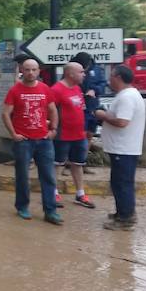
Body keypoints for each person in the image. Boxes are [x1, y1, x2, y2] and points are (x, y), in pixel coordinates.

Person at [1, 58, 62, 225]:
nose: (30, 73)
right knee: (22, 175)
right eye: (27, 69)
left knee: (48, 176)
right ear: (22, 70)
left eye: (34, 69)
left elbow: (52, 109)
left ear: (39, 71)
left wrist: (54, 130)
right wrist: (13, 134)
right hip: (23, 140)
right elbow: (6, 113)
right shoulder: (15, 90)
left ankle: (50, 211)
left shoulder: (45, 89)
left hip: (43, 139)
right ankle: (22, 206)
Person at [94, 64, 145, 231]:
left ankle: (125, 219)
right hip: (123, 148)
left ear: (118, 78)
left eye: (111, 77)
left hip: (124, 148)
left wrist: (103, 115)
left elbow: (122, 122)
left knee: (122, 184)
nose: (109, 80)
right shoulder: (128, 94)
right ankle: (123, 212)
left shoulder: (127, 97)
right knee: (120, 183)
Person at [50, 62, 96, 209]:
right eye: (81, 72)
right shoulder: (56, 89)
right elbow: (49, 110)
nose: (84, 74)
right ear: (71, 74)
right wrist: (52, 128)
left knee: (78, 164)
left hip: (79, 135)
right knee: (57, 164)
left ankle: (80, 193)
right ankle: (53, 192)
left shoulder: (77, 88)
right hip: (62, 135)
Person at [72, 52, 107, 176]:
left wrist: (95, 90)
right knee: (78, 135)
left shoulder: (97, 70)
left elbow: (103, 84)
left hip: (92, 107)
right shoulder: (73, 68)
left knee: (89, 135)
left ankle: (83, 162)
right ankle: (70, 163)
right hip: (77, 108)